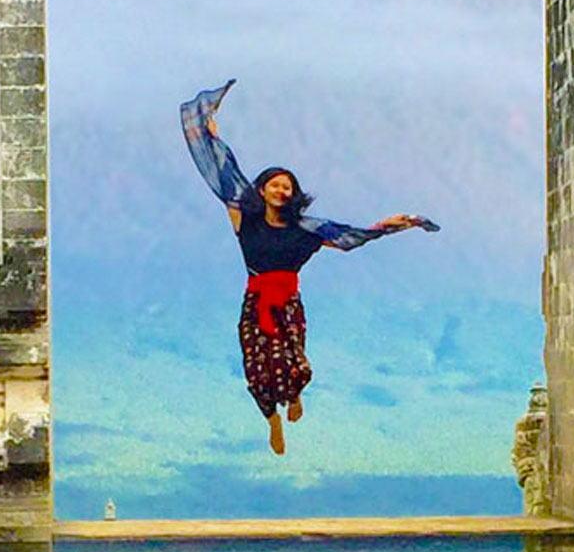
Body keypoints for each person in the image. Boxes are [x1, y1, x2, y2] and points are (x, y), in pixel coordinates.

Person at [179, 80, 436, 453]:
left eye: (288, 187)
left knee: (294, 362)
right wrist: (211, 133)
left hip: (287, 304)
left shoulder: (307, 230)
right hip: (256, 303)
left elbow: (353, 236)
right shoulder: (244, 218)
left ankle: (295, 395)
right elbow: (223, 174)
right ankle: (272, 421)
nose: (282, 190)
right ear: (263, 188)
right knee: (257, 367)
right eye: (275, 185)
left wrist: (393, 224)